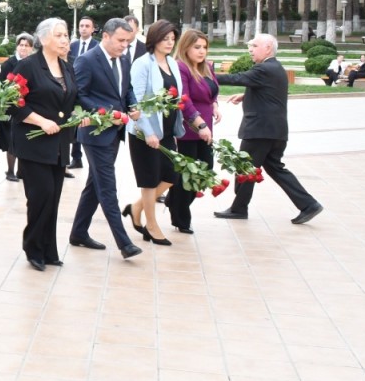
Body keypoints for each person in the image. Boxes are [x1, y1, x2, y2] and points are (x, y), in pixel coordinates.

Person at [215, 34, 324, 225]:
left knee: (245, 167)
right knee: (275, 168)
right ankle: (308, 205)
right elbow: (269, 92)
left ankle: (239, 208)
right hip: (275, 130)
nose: (250, 49)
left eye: (255, 45)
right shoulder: (275, 67)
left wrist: (204, 77)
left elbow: (236, 78)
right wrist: (247, 95)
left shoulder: (264, 68)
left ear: (267, 48)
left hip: (260, 130)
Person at [69, 17, 143, 260]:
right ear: (107, 36)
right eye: (121, 40)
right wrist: (105, 113)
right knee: (107, 187)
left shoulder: (123, 59)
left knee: (95, 183)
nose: (125, 45)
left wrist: (132, 105)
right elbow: (80, 94)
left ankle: (78, 232)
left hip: (116, 131)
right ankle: (124, 242)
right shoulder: (87, 60)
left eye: (128, 41)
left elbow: (126, 89)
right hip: (95, 133)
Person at [9, 18, 78, 270]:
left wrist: (79, 116)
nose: (64, 40)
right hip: (33, 142)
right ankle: (33, 248)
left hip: (59, 143)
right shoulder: (27, 66)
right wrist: (40, 121)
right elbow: (11, 102)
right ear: (44, 39)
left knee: (54, 197)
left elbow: (70, 99)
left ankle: (49, 250)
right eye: (59, 35)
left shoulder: (67, 66)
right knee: (41, 196)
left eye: (66, 35)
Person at [124, 19, 184, 247]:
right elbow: (136, 101)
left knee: (171, 176)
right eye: (165, 38)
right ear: (154, 39)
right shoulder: (143, 63)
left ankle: (136, 207)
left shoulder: (172, 63)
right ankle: (151, 225)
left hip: (167, 131)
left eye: (172, 39)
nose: (169, 43)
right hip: (144, 132)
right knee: (149, 180)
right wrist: (148, 132)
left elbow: (177, 96)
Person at [168, 28, 218, 234]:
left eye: (204, 47)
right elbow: (183, 99)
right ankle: (181, 218)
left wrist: (215, 105)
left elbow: (212, 92)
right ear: (186, 47)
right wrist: (200, 125)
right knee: (188, 175)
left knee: (205, 170)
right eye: (197, 47)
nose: (201, 51)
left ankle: (173, 202)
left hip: (206, 126)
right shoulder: (181, 67)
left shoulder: (206, 67)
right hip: (190, 129)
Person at [2, 32, 35, 181]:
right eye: (21, 45)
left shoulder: (34, 63)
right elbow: (3, 84)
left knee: (25, 139)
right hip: (13, 105)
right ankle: (10, 171)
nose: (23, 48)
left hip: (30, 106)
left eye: (26, 45)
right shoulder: (9, 63)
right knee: (12, 140)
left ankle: (23, 170)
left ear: (32, 48)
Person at [67, 16, 97, 169]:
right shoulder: (72, 46)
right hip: (74, 88)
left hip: (90, 92)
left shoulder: (97, 47)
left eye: (87, 26)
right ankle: (75, 157)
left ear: (93, 29)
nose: (84, 28)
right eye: (81, 25)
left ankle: (90, 156)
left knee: (86, 123)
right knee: (75, 123)